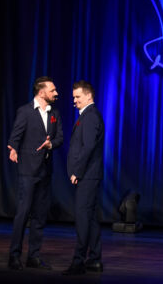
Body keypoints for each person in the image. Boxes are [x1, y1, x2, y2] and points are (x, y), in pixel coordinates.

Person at [7, 76, 63, 270]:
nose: (56, 93)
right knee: (23, 213)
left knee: (40, 215)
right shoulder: (25, 111)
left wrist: (51, 144)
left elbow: (60, 138)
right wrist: (13, 149)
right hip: (28, 171)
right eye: (52, 90)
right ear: (41, 92)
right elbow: (15, 136)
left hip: (45, 172)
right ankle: (14, 255)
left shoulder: (54, 113)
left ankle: (34, 256)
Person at [63, 80, 105, 275]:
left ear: (89, 96)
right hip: (89, 175)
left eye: (78, 97)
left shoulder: (90, 117)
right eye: (74, 97)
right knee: (91, 218)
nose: (75, 101)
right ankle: (95, 259)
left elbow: (88, 147)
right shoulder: (89, 115)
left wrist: (77, 172)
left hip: (87, 176)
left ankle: (78, 261)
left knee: (83, 218)